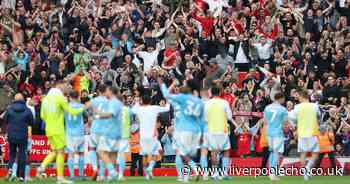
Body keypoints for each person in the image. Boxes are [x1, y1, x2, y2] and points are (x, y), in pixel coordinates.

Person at [37, 81, 84, 184]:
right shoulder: (60, 97)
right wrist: (84, 107)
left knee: (54, 151)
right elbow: (72, 111)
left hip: (49, 129)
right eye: (66, 86)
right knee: (61, 152)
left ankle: (41, 167)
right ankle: (60, 178)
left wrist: (50, 120)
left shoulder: (46, 99)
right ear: (60, 86)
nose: (67, 88)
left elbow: (42, 116)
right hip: (58, 129)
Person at [160, 78, 204, 182]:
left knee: (180, 154)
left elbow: (167, 95)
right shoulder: (197, 101)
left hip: (181, 129)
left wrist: (168, 84)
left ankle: (186, 173)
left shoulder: (178, 102)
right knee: (185, 155)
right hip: (195, 131)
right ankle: (186, 176)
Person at [131, 93, 170, 180]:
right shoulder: (154, 108)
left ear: (142, 101)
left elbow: (132, 110)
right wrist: (168, 100)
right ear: (151, 101)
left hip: (142, 136)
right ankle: (149, 168)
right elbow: (167, 108)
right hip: (152, 135)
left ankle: (147, 173)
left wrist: (137, 102)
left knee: (144, 155)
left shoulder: (139, 109)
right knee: (155, 154)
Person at [290, 89, 321, 181]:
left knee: (303, 153)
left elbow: (293, 119)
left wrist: (294, 128)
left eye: (298, 96)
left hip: (302, 133)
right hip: (312, 132)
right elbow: (318, 116)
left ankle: (305, 173)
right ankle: (308, 168)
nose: (297, 98)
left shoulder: (297, 107)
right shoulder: (314, 106)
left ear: (302, 96)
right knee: (315, 153)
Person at [205, 85, 233, 180]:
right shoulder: (224, 102)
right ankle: (224, 173)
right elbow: (229, 116)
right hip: (223, 130)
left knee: (213, 152)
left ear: (211, 93)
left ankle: (215, 173)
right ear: (220, 93)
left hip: (211, 131)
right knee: (226, 151)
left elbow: (204, 118)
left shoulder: (207, 103)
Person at [4, 93, 33, 182]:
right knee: (22, 155)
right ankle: (21, 176)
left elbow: (5, 120)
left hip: (11, 135)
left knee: (12, 154)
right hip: (23, 135)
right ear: (23, 99)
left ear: (14, 100)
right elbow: (31, 122)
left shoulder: (9, 109)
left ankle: (10, 169)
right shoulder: (27, 110)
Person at [263, 92, 289, 181]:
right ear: (281, 98)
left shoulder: (267, 108)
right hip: (278, 133)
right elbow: (285, 123)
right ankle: (272, 173)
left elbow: (265, 121)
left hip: (269, 133)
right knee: (276, 153)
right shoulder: (283, 109)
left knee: (272, 152)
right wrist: (289, 128)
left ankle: (272, 172)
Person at [64, 91, 85, 181]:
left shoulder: (66, 107)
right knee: (81, 154)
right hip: (80, 133)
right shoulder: (81, 106)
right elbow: (88, 116)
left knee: (71, 155)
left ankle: (72, 175)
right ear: (78, 97)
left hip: (69, 134)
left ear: (70, 97)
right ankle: (81, 175)